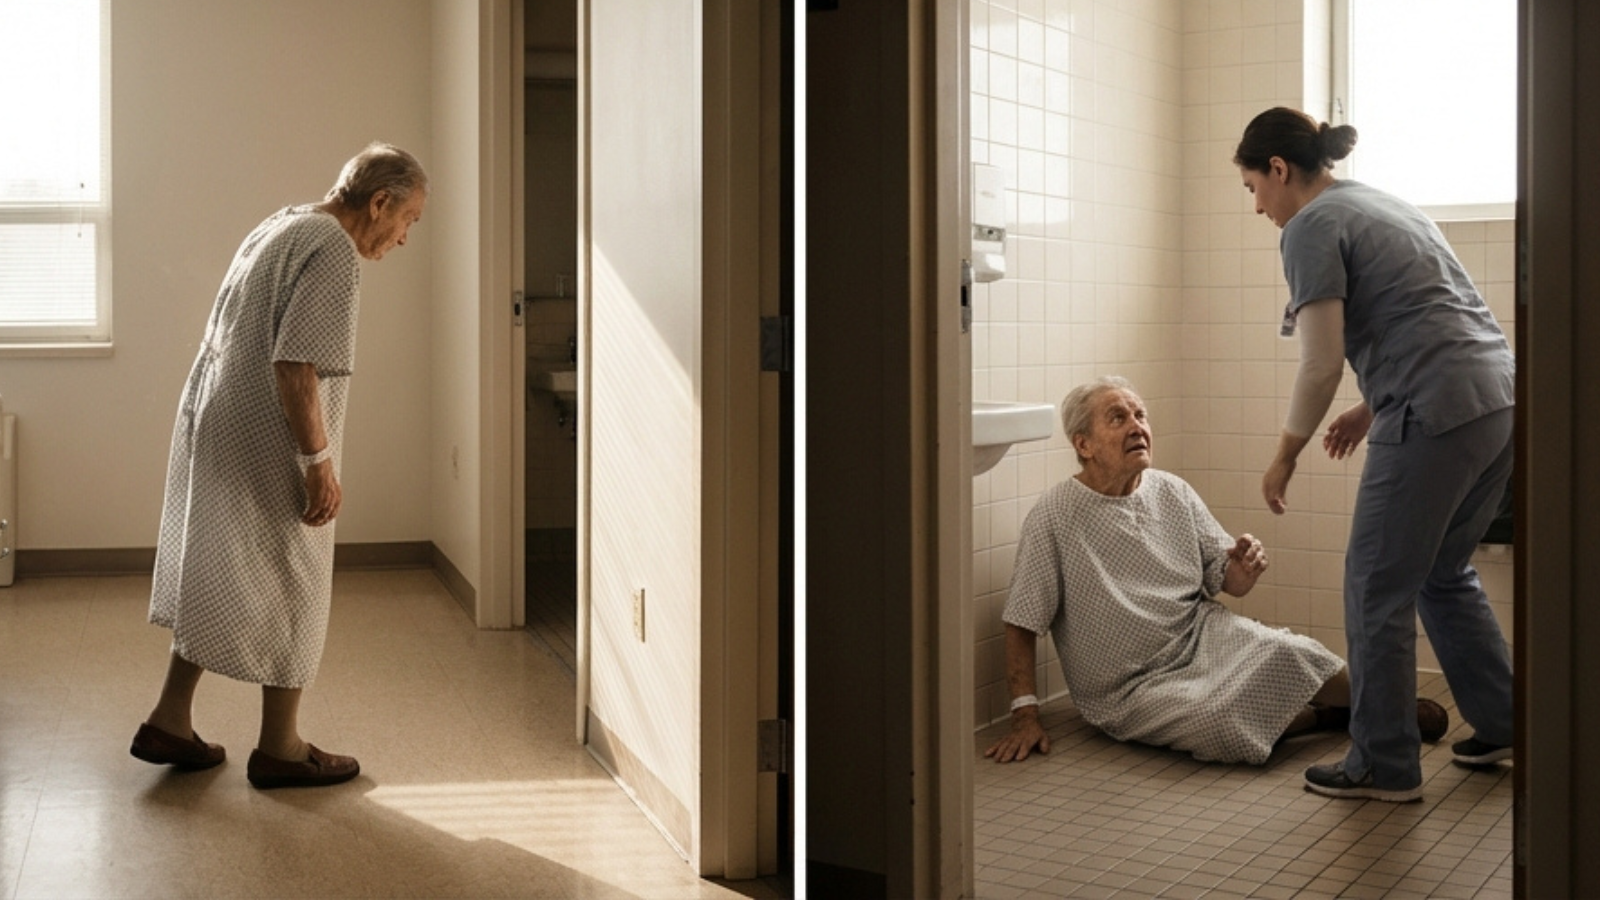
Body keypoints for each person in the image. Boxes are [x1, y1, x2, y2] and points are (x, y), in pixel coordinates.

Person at [1236, 107, 1515, 802]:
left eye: (1253, 189)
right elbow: (1429, 312)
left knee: (1373, 587)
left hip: (1435, 409)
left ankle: (1382, 764)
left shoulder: (1311, 225)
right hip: (1498, 400)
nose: (1257, 207)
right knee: (1443, 573)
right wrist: (1370, 405)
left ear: (1278, 169)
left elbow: (1321, 363)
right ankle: (1508, 720)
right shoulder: (1382, 203)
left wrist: (1285, 456)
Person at [129, 142, 428, 789]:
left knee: (214, 568)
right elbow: (296, 363)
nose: (405, 238)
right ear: (379, 202)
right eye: (409, 220)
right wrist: (318, 462)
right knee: (299, 576)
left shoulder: (283, 222)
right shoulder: (333, 251)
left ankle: (170, 720)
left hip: (217, 423)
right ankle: (281, 749)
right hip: (267, 436)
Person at [984, 377, 1448, 768]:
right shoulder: (1056, 514)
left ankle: (1389, 711)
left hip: (1204, 637)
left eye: (1140, 415)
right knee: (1215, 722)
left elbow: (1229, 583)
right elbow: (1022, 617)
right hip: (1128, 684)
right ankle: (1333, 716)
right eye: (1118, 418)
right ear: (1082, 444)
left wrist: (1242, 567)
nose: (1137, 427)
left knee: (1293, 651)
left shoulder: (1172, 491)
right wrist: (1025, 713)